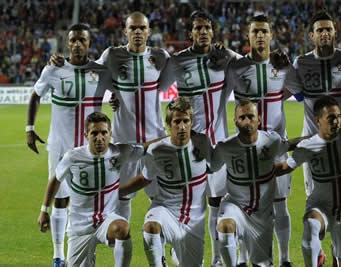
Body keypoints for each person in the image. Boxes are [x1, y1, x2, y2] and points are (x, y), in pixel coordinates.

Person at [51, 12, 172, 221]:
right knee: (121, 197)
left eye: (142, 28)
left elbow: (172, 78)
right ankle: (121, 245)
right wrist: (64, 62)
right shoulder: (112, 56)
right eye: (132, 28)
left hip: (156, 141)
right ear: (125, 31)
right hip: (123, 143)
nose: (137, 32)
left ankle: (159, 251)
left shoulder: (161, 57)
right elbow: (88, 67)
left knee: (161, 198)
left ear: (149, 31)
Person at [283, 10, 341, 266]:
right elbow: (293, 93)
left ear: (335, 32)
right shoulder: (301, 63)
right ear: (311, 36)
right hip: (313, 146)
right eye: (319, 30)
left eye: (328, 29)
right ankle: (328, 254)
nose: (324, 33)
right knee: (320, 201)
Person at [27, 23, 112, 267]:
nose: (77, 44)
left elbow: (120, 90)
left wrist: (115, 99)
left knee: (86, 199)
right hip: (60, 146)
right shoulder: (54, 68)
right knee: (61, 199)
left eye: (81, 40)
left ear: (89, 43)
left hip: (90, 148)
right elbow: (35, 94)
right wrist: (29, 129)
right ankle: (58, 255)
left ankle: (84, 251)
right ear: (67, 43)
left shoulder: (100, 71)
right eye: (73, 40)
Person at [161, 10, 240, 266]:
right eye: (198, 28)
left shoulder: (223, 58)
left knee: (216, 202)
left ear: (213, 32)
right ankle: (179, 248)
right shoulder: (178, 62)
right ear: (190, 33)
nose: (203, 32)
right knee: (187, 205)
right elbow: (156, 88)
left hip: (217, 145)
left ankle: (217, 259)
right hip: (187, 146)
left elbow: (249, 63)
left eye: (207, 27)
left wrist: (227, 52)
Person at [274, 96, 341, 267]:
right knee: (311, 225)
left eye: (338, 116)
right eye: (331, 117)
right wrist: (259, 173)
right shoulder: (308, 146)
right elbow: (285, 167)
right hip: (321, 206)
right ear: (318, 120)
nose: (337, 121)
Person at [225, 14, 293, 267]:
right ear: (248, 36)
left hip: (275, 147)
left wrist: (276, 101)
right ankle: (243, 259)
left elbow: (298, 89)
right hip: (246, 149)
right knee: (246, 206)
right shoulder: (237, 67)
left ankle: (285, 258)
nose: (260, 36)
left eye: (265, 31)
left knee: (279, 203)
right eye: (256, 32)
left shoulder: (282, 65)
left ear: (272, 35)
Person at [37, 112, 146, 267]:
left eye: (104, 132)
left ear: (110, 134)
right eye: (94, 133)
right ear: (86, 135)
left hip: (106, 221)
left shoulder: (120, 152)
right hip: (79, 228)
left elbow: (148, 148)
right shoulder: (73, 157)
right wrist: (44, 210)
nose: (99, 137)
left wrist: (179, 138)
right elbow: (55, 180)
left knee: (122, 228)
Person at [119, 97, 212, 267]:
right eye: (177, 121)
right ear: (169, 124)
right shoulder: (157, 150)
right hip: (166, 211)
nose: (182, 126)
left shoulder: (203, 143)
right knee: (151, 227)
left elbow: (218, 165)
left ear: (192, 122)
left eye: (186, 121)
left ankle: (177, 250)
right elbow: (143, 179)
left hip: (193, 223)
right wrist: (115, 192)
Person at [211, 100, 298, 267]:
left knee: (261, 264)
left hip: (262, 217)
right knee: (225, 227)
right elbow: (210, 166)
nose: (247, 121)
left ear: (259, 119)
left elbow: (288, 146)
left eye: (251, 116)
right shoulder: (225, 147)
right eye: (242, 117)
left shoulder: (271, 141)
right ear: (235, 121)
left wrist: (315, 138)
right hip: (235, 206)